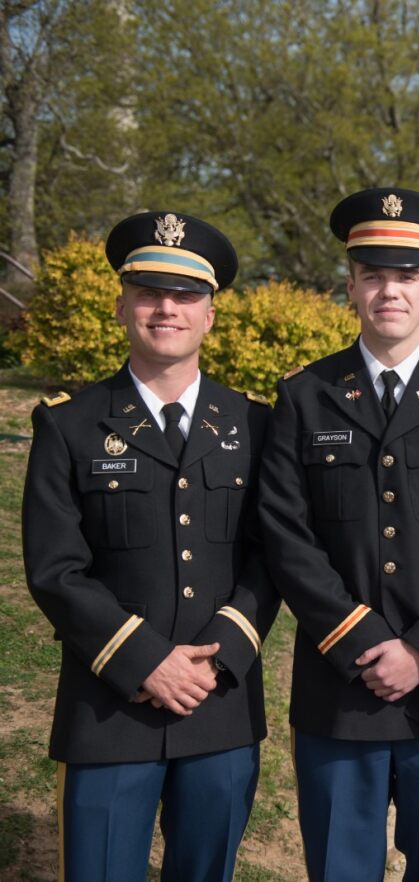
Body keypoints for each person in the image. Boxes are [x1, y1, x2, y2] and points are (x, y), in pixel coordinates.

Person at [257, 188, 419, 881]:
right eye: (374, 275)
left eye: (405, 276)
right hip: (342, 692)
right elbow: (287, 535)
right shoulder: (304, 396)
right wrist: (368, 644)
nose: (389, 291)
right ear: (350, 286)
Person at [22, 211, 276, 880]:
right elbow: (55, 569)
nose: (167, 308)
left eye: (186, 294)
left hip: (217, 705)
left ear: (210, 313)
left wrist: (217, 657)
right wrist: (145, 661)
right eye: (148, 292)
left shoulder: (254, 424)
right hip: (109, 709)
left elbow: (272, 554)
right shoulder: (69, 423)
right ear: (121, 304)